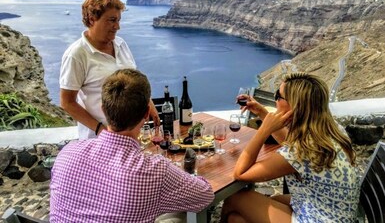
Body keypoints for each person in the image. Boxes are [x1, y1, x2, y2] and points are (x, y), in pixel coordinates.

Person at [50, 68, 214, 222]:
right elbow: (205, 196)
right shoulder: (154, 171)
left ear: (103, 109)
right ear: (146, 114)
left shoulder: (67, 153)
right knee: (180, 215)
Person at [221, 72, 360, 222]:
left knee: (235, 199)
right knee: (236, 219)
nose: (275, 100)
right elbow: (290, 142)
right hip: (328, 212)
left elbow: (240, 174)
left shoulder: (303, 150)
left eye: (278, 97)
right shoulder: (331, 130)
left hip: (318, 218)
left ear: (295, 105)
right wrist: (262, 113)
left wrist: (263, 131)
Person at [59, 0, 160, 140]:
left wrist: (148, 103)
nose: (117, 26)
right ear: (92, 19)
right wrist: (100, 129)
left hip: (131, 137)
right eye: (112, 20)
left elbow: (134, 81)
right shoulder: (76, 54)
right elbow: (67, 103)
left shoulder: (120, 44)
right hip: (98, 140)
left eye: (119, 20)